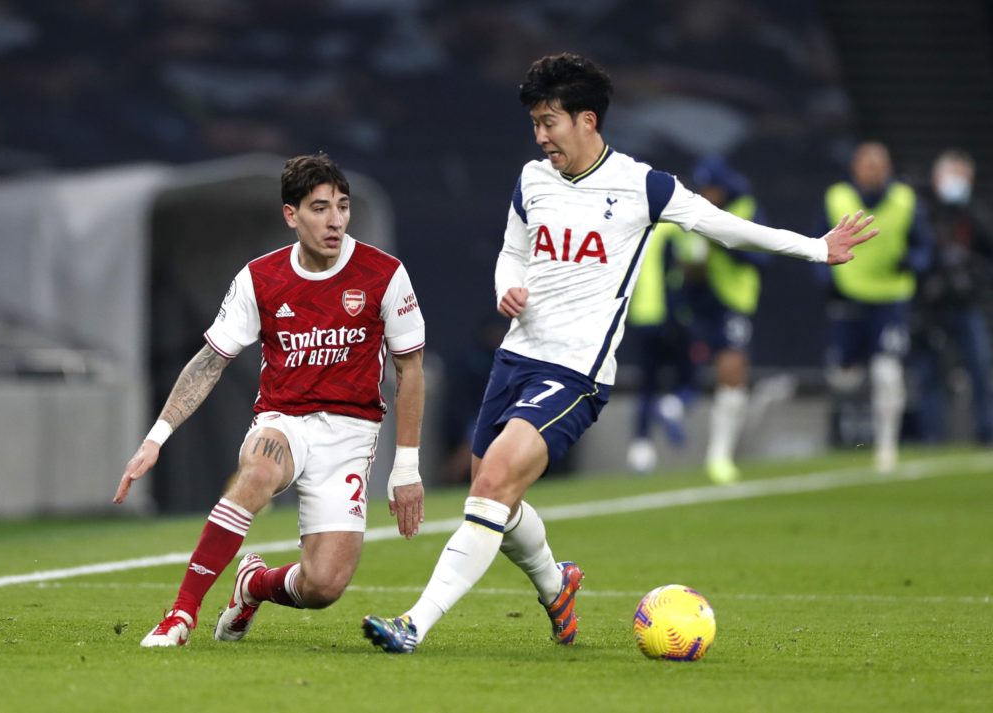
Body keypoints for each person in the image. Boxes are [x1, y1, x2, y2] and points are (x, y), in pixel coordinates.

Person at [362, 52, 876, 654]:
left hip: (576, 372)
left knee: (493, 484)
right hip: (516, 358)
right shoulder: (532, 180)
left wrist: (816, 249)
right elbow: (512, 251)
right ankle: (558, 587)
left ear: (587, 120)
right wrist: (507, 286)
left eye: (549, 122)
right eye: (534, 123)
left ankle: (414, 623)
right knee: (495, 494)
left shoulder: (642, 185)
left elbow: (723, 225)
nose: (540, 136)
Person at [113, 153, 427, 647]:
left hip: (350, 436)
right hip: (285, 421)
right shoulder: (260, 278)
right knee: (257, 471)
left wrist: (406, 468)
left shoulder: (384, 274)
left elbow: (410, 370)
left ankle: (252, 585)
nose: (336, 220)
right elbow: (208, 361)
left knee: (324, 586)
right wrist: (156, 438)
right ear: (291, 215)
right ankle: (180, 615)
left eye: (342, 207)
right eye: (320, 208)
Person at [820, 141, 932, 472]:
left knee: (887, 372)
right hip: (849, 296)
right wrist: (824, 281)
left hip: (890, 298)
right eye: (867, 163)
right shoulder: (836, 197)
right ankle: (847, 435)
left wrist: (911, 263)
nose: (873, 169)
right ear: (855, 167)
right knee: (843, 378)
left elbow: (924, 248)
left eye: (879, 163)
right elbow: (815, 240)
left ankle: (886, 448)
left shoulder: (905, 200)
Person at [663, 157, 772, 483]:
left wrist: (724, 242)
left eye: (712, 187)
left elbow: (762, 256)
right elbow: (683, 258)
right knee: (693, 367)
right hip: (698, 301)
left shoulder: (746, 208)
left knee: (732, 371)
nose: (708, 193)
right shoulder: (693, 212)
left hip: (733, 302)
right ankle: (678, 406)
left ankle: (720, 455)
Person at [910, 149, 993, 444]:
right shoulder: (921, 210)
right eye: (951, 174)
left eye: (962, 175)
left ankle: (987, 433)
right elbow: (913, 254)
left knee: (980, 368)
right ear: (936, 178)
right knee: (929, 374)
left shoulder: (974, 214)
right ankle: (933, 437)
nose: (956, 182)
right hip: (929, 307)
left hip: (964, 305)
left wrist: (974, 278)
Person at [623, 221, 696, 473]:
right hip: (667, 315)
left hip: (640, 316)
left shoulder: (636, 226)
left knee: (646, 384)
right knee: (688, 376)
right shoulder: (672, 229)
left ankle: (641, 448)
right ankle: (672, 405)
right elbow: (678, 271)